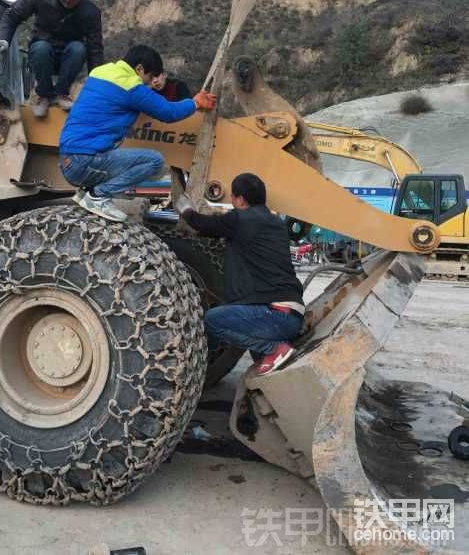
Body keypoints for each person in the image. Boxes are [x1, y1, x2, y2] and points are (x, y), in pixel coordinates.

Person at [59, 44, 216, 222]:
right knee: (154, 161)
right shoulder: (131, 86)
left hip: (68, 159)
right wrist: (195, 103)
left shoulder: (100, 72)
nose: (148, 84)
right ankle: (98, 196)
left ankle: (87, 192)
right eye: (148, 78)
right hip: (85, 162)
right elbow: (168, 112)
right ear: (139, 69)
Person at [176, 173, 304, 376]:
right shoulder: (275, 224)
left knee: (212, 320)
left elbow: (205, 224)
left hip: (274, 316)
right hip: (291, 315)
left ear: (241, 199)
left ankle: (274, 349)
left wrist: (186, 210)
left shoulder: (240, 219)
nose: (233, 203)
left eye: (233, 198)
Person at [0, 0, 104, 118]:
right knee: (41, 48)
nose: (69, 0)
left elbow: (95, 49)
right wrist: (3, 40)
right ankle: (43, 95)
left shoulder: (90, 12)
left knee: (78, 48)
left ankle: (62, 93)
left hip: (69, 59)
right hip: (41, 55)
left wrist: (97, 83)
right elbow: (12, 15)